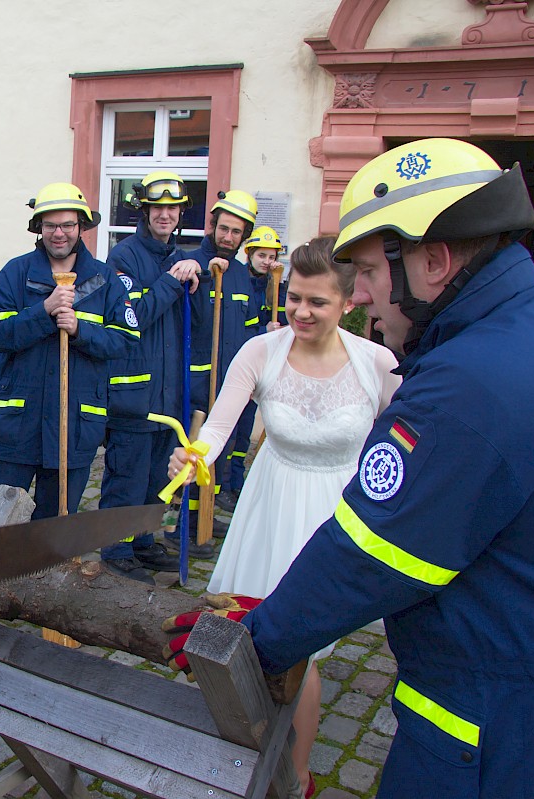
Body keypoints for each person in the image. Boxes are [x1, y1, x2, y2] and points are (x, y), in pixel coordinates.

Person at [175, 138, 534, 797]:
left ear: (432, 260)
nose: (365, 295)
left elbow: (370, 556)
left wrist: (250, 641)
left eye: (372, 272)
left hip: (506, 720)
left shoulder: (469, 381)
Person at [171, 236, 400, 795]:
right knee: (247, 628)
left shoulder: (377, 364)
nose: (301, 311)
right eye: (294, 297)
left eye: (317, 302)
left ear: (348, 302)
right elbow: (222, 425)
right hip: (271, 503)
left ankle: (296, 773)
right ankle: (235, 746)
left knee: (304, 647)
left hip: (337, 515)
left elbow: (407, 442)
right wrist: (195, 453)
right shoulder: (260, 351)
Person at [0, 182, 136, 519]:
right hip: (15, 424)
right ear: (39, 228)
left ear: (82, 227)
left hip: (73, 426)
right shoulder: (15, 273)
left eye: (67, 225)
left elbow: (123, 341)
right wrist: (43, 310)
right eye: (50, 225)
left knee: (51, 535)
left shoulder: (105, 280)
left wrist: (79, 330)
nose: (58, 233)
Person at [95, 171, 206, 582]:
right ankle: (116, 548)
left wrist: (198, 274)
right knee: (127, 472)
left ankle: (142, 540)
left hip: (168, 392)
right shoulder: (123, 256)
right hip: (134, 391)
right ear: (145, 211)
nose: (165, 215)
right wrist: (172, 282)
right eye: (157, 207)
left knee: (158, 473)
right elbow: (134, 317)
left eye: (172, 208)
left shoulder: (179, 258)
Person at [184, 190, 263, 528]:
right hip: (198, 379)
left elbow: (247, 329)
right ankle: (186, 520)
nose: (228, 237)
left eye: (236, 232)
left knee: (225, 448)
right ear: (212, 226)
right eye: (223, 229)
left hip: (232, 380)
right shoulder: (191, 263)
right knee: (195, 448)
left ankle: (207, 510)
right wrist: (200, 275)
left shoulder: (242, 274)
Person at [215, 225, 289, 519]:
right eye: (261, 255)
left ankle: (236, 483)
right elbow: (240, 330)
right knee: (231, 431)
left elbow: (285, 319)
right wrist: (263, 330)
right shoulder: (240, 283)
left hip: (264, 370)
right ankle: (221, 487)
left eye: (271, 257)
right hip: (241, 367)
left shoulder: (278, 286)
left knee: (245, 433)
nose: (267, 261)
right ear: (250, 254)